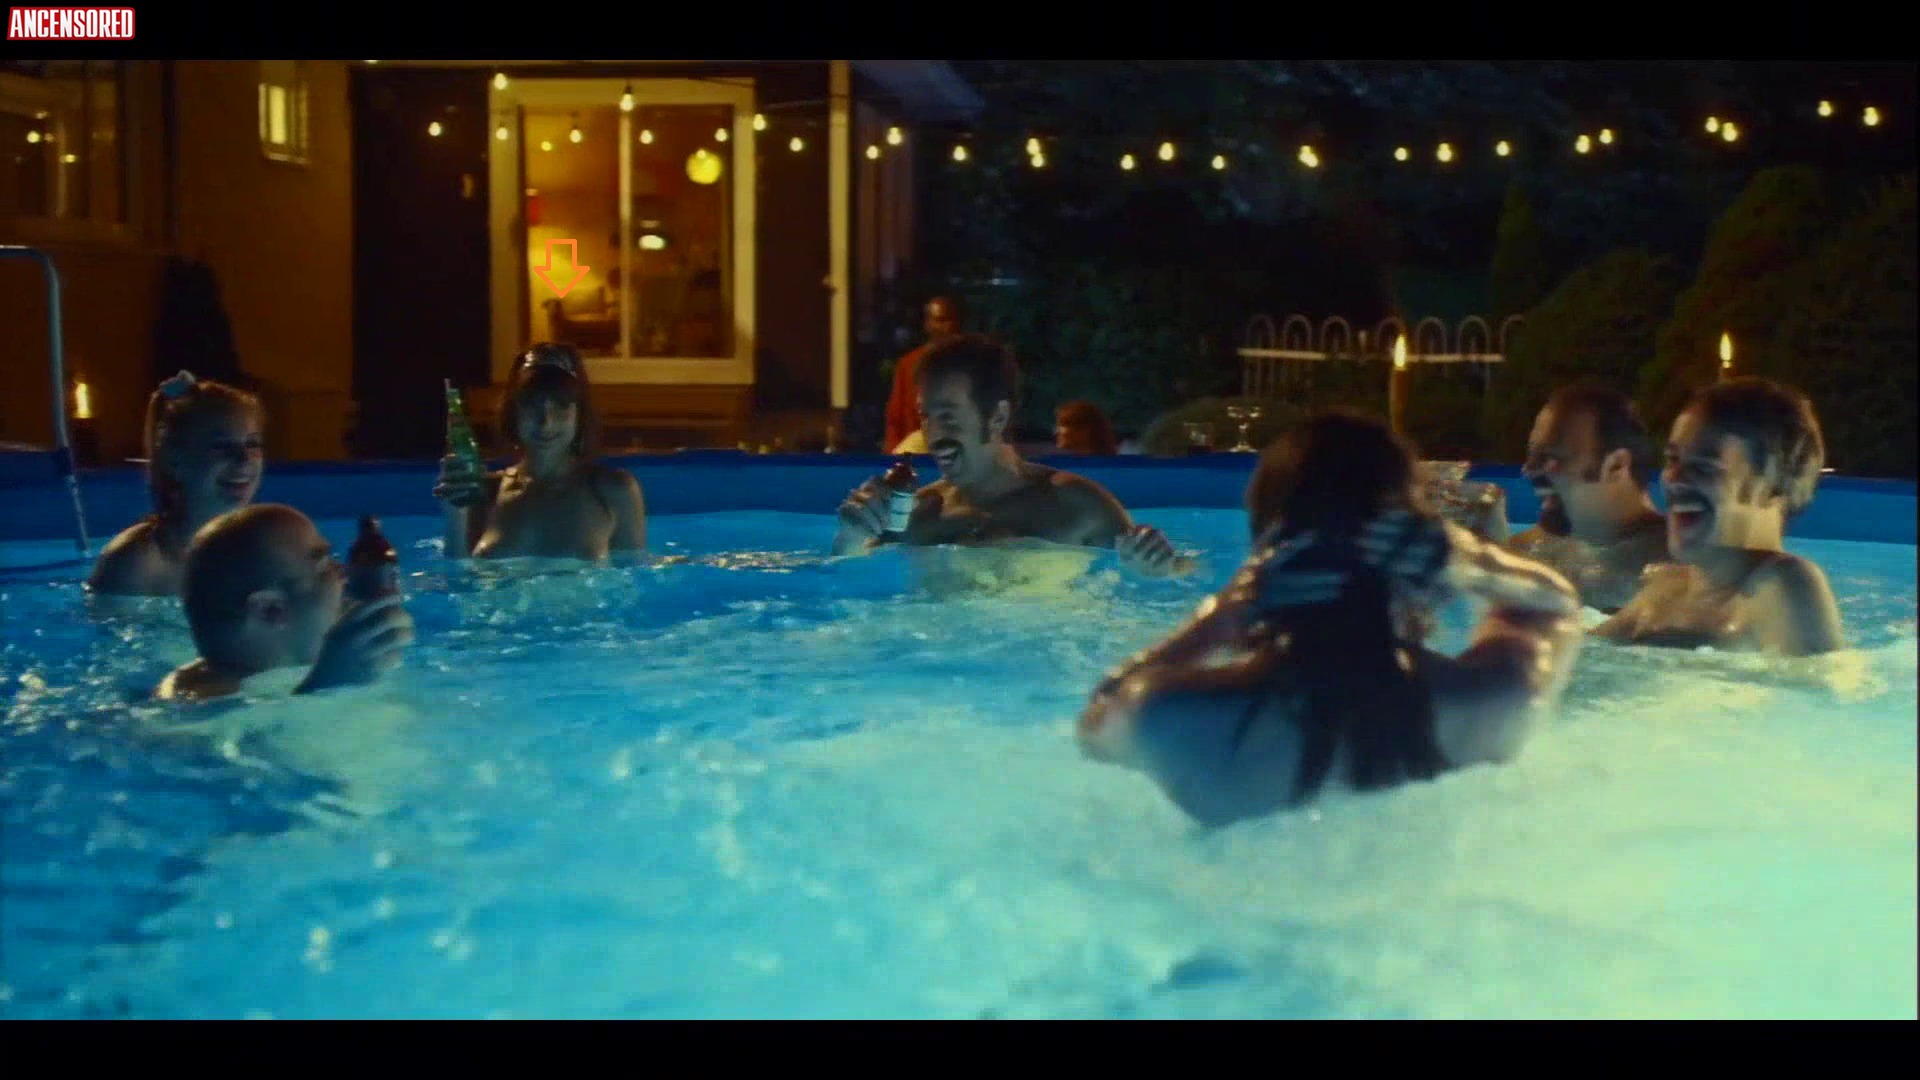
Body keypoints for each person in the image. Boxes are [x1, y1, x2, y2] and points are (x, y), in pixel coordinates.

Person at [1076, 410, 1583, 828]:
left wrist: (1225, 615)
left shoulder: (1178, 721)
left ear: (1263, 543)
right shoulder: (1488, 704)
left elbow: (1098, 721)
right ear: (1411, 554)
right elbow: (1556, 606)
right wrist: (1471, 559)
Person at [835, 334, 1188, 576]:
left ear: (997, 417)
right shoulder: (916, 516)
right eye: (926, 417)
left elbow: (1180, 578)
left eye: (949, 417)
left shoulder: (1078, 506)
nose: (934, 435)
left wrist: (1161, 567)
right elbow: (845, 582)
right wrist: (852, 536)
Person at [1596, 377, 1843, 656]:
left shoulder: (1784, 587)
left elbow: (1813, 683)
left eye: (1704, 466)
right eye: (1672, 460)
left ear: (1774, 485)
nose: (1674, 479)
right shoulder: (1666, 590)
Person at [156, 505, 415, 701]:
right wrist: (329, 686)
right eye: (324, 565)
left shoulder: (281, 675)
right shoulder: (196, 701)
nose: (343, 574)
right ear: (270, 610)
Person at [433, 343, 647, 560]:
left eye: (561, 406)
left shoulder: (613, 491)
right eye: (531, 405)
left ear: (579, 415)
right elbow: (460, 576)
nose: (545, 422)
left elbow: (633, 575)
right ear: (513, 412)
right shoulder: (484, 493)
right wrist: (454, 515)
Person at [1495, 383, 1670, 612]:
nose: (1528, 470)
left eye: (1549, 457)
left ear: (1616, 466)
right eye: (1532, 455)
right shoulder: (1534, 549)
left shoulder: (1682, 568)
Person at [88, 371, 265, 597]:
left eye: (252, 444)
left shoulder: (260, 553)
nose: (244, 458)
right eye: (221, 446)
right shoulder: (136, 565)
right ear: (175, 462)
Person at [883, 295, 962, 453]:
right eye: (939, 320)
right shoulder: (908, 365)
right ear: (927, 324)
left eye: (949, 320)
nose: (946, 326)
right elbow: (895, 417)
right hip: (918, 449)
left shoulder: (967, 365)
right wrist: (892, 456)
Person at [1054, 400, 1118, 455]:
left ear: (1084, 430)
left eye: (1064, 425)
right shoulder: (1056, 463)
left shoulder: (1110, 464)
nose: (1057, 431)